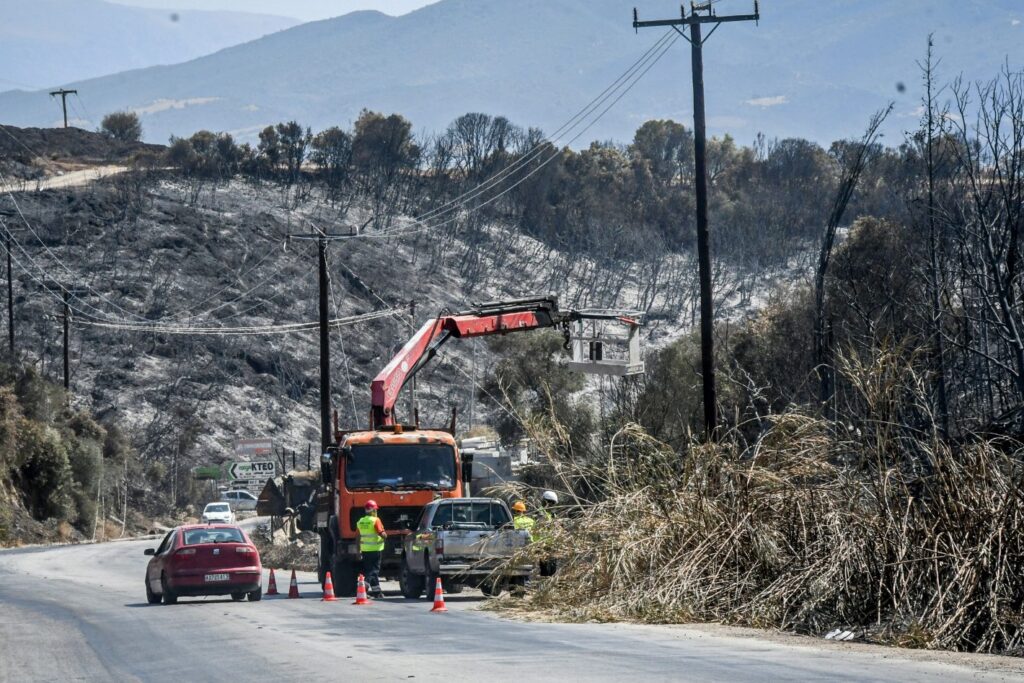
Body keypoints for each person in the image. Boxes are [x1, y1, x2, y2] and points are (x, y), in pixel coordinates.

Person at [356, 500, 387, 598]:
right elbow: (381, 534)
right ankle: (363, 589)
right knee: (374, 571)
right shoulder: (375, 520)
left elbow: (357, 536)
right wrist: (386, 535)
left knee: (369, 569)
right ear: (373, 510)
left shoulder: (360, 521)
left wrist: (358, 550)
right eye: (375, 510)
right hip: (375, 549)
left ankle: (377, 592)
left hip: (365, 550)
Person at [538, 490, 558, 576]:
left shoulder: (552, 514)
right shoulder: (540, 512)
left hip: (551, 543)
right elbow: (541, 524)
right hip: (542, 543)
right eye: (551, 503)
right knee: (545, 568)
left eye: (553, 503)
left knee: (553, 568)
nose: (551, 505)